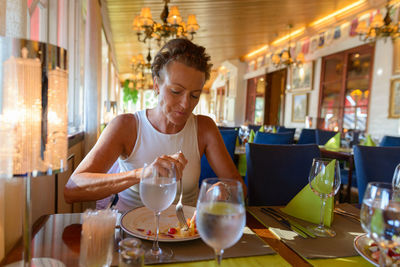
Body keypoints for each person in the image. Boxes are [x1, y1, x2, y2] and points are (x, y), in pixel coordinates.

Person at [64, 38, 246, 212]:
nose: (185, 104)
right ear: (156, 85)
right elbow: (72, 189)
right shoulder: (126, 126)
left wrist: (224, 191)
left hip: (184, 234)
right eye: (176, 91)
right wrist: (140, 174)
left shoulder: (204, 128)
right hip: (131, 237)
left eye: (194, 95)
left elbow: (239, 187)